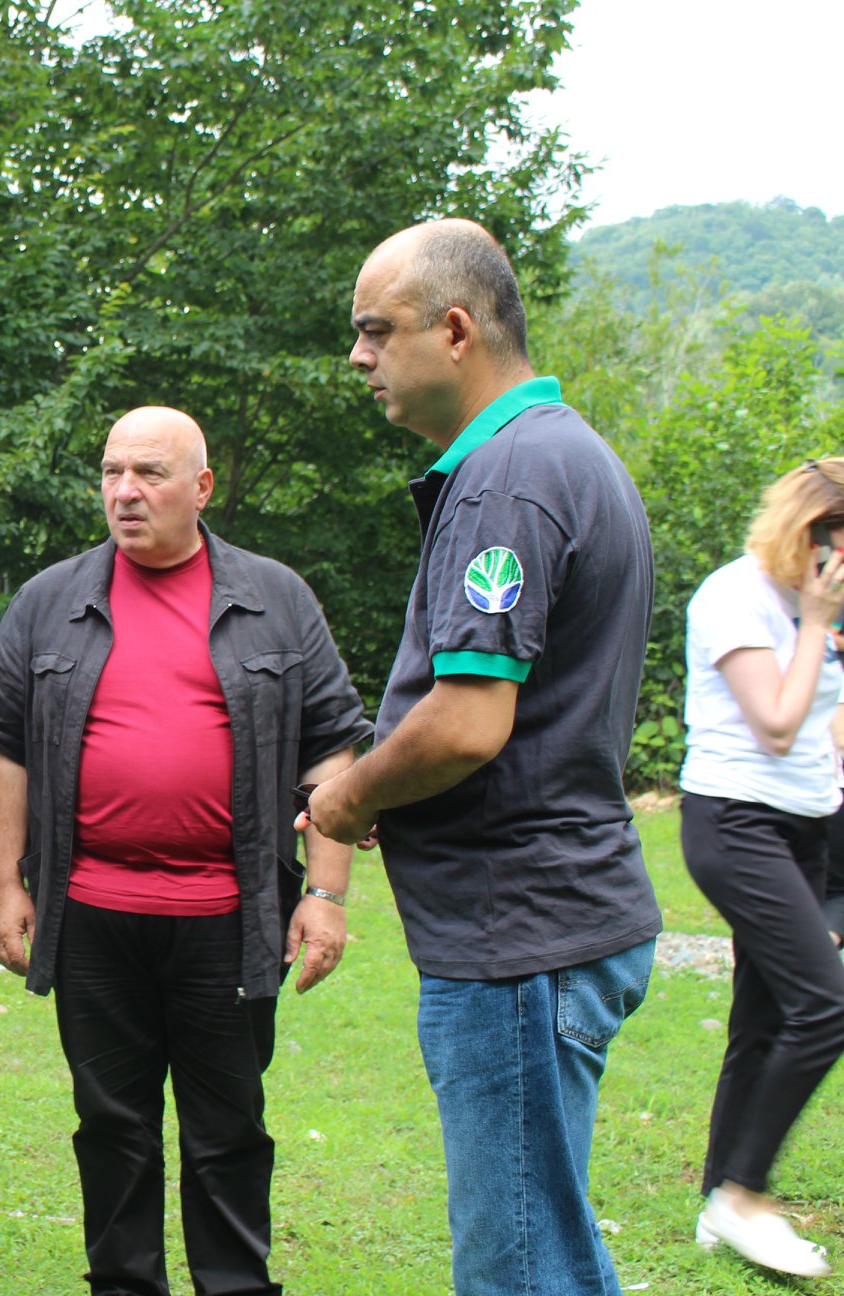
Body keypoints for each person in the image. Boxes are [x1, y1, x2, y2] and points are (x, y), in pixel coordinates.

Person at [302, 219, 662, 1296]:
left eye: (376, 330)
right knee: (548, 1240)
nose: (358, 357)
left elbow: (466, 723)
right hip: (546, 925)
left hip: (521, 936)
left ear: (455, 330)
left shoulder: (508, 478)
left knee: (520, 1265)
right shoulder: (556, 454)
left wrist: (348, 798)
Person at [0, 406, 371, 1296]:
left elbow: (332, 745)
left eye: (149, 473)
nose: (124, 491)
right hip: (93, 918)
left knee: (228, 1131)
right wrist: (4, 884)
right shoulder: (48, 602)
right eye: (111, 472)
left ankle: (234, 1286)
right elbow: (2, 744)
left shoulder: (276, 599)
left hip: (229, 919)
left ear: (201, 487)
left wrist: (325, 894)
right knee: (111, 1128)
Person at [677, 460, 844, 1277]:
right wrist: (816, 624)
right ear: (807, 534)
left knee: (765, 1018)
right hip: (736, 822)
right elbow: (776, 723)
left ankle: (719, 1205)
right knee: (827, 1005)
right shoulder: (736, 597)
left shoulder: (817, 606)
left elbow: (823, 724)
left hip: (808, 826)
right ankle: (745, 1196)